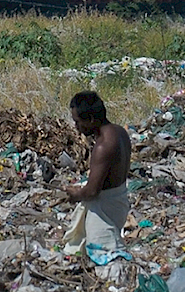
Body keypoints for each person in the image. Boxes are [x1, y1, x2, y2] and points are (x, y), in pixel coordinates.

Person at [60, 90, 131, 255]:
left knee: (104, 255)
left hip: (104, 209)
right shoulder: (120, 132)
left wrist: (75, 194)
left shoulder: (103, 146)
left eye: (78, 122)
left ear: (91, 119)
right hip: (119, 201)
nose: (76, 127)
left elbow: (92, 192)